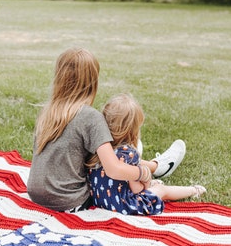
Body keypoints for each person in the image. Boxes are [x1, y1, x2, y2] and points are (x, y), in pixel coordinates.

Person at [27, 48, 187, 212]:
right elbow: (113, 169)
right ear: (92, 81)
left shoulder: (46, 112)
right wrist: (142, 173)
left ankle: (156, 166)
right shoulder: (90, 117)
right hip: (68, 200)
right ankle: (155, 167)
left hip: (35, 195)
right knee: (120, 155)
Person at [87, 93, 206, 216]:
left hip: (102, 202)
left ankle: (159, 171)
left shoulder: (99, 150)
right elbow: (138, 190)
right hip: (126, 207)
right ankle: (193, 190)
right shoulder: (129, 154)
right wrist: (146, 182)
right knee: (162, 190)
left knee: (149, 185)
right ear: (133, 129)